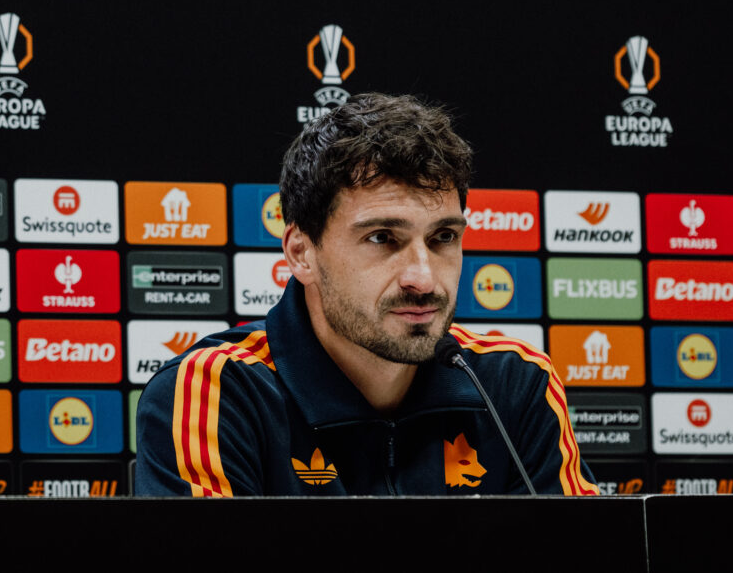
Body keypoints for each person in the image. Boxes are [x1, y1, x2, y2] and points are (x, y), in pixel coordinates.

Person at [135, 93, 597, 496]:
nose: (423, 278)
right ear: (301, 253)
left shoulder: (514, 382)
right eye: (382, 238)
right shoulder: (216, 391)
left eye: (443, 239)